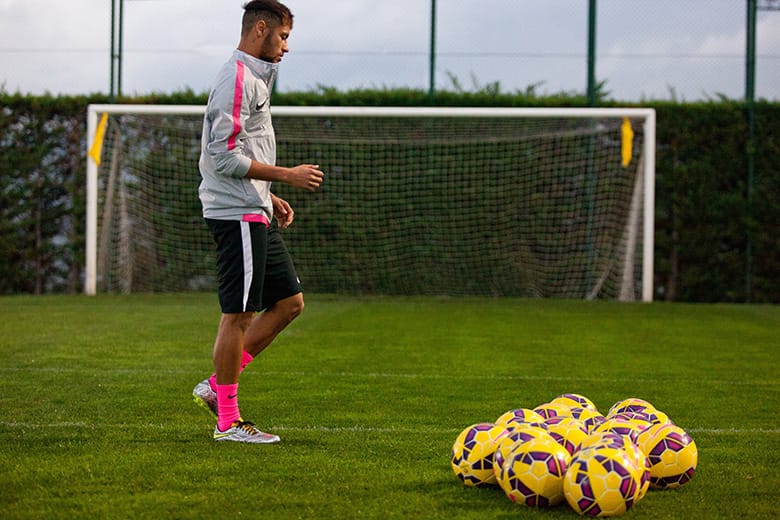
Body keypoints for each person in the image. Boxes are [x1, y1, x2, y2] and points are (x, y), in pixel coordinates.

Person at [192, 0, 324, 444]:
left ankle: (216, 385)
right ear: (260, 29)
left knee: (290, 302)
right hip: (235, 214)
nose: (286, 47)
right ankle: (227, 420)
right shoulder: (235, 77)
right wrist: (285, 174)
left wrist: (271, 193)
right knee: (238, 315)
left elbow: (244, 151)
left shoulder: (255, 79)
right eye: (283, 37)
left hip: (254, 207)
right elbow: (223, 154)